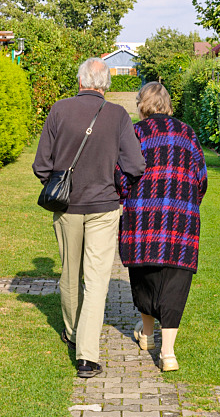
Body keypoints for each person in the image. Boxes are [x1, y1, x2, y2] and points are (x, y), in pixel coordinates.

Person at [33, 58, 145, 378]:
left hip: (66, 208)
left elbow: (42, 165)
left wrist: (57, 185)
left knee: (69, 275)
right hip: (104, 207)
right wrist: (118, 185)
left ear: (80, 80)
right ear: (105, 84)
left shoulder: (59, 110)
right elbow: (135, 166)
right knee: (96, 281)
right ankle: (87, 356)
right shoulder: (117, 115)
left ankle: (72, 333)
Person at [118, 82, 207, 372]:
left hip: (143, 218)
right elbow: (201, 177)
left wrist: (123, 195)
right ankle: (167, 353)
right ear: (167, 103)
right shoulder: (187, 133)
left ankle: (147, 335)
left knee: (144, 274)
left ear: (142, 104)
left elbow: (122, 174)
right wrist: (190, 201)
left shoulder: (136, 132)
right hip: (181, 217)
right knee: (175, 280)